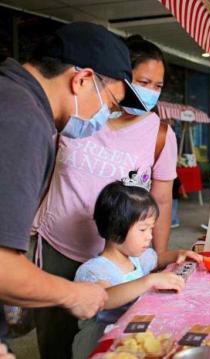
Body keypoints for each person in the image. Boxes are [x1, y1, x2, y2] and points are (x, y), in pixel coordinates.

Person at [32, 35, 193, 358]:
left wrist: (154, 257)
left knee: (110, 341)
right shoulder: (79, 114)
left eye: (158, 85)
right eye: (143, 81)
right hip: (59, 249)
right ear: (117, 78)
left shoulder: (160, 134)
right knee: (56, 343)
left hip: (120, 257)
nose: (150, 91)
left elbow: (161, 200)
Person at [0, 21, 147, 348]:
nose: (104, 120)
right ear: (82, 80)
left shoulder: (11, 96)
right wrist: (73, 294)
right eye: (110, 107)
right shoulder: (23, 120)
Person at [72, 180, 202, 359]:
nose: (149, 236)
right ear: (116, 229)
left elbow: (158, 259)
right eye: (142, 230)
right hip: (101, 345)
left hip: (130, 340)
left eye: (151, 229)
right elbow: (104, 299)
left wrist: (179, 254)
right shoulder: (93, 271)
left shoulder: (137, 258)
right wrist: (149, 281)